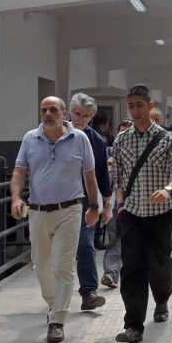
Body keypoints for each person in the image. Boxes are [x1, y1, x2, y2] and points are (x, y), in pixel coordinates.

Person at [10, 96, 100, 343]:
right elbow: (19, 171)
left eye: (53, 109)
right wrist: (16, 198)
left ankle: (58, 320)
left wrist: (95, 206)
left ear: (63, 114)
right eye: (44, 110)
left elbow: (89, 176)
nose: (48, 114)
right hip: (38, 211)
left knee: (63, 265)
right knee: (41, 265)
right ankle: (54, 303)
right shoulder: (30, 138)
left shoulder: (80, 139)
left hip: (70, 209)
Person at [112, 85, 172, 343]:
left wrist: (168, 189)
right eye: (131, 106)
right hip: (132, 213)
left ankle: (162, 299)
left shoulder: (167, 138)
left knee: (159, 263)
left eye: (139, 105)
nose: (134, 111)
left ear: (150, 105)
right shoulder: (121, 140)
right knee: (132, 268)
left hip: (160, 214)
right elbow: (118, 176)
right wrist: (120, 203)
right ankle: (133, 325)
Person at [68, 93, 112, 310]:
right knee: (57, 253)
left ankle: (89, 292)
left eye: (85, 116)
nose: (80, 119)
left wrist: (107, 204)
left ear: (91, 117)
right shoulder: (55, 133)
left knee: (85, 246)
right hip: (56, 201)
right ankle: (56, 296)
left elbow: (102, 173)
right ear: (70, 112)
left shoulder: (95, 140)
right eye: (77, 114)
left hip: (86, 201)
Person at [101, 119, 134, 289]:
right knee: (114, 237)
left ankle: (135, 274)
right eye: (121, 131)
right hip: (115, 203)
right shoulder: (108, 152)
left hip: (137, 204)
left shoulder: (141, 152)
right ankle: (111, 273)